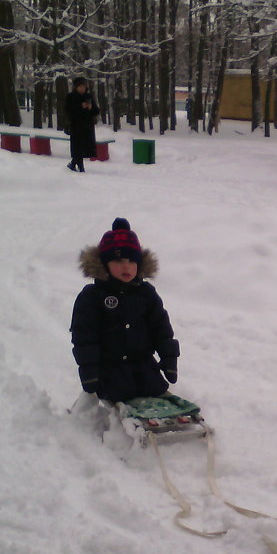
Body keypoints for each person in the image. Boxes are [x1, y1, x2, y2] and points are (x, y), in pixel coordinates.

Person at [70, 218, 180, 403]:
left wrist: (169, 357)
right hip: (110, 366)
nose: (126, 266)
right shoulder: (92, 296)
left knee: (155, 388)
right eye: (119, 260)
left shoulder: (146, 293)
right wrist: (89, 372)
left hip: (143, 363)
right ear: (104, 264)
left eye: (132, 260)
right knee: (120, 392)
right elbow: (84, 336)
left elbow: (161, 328)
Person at [64, 78, 101, 173]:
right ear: (76, 87)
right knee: (78, 147)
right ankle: (80, 167)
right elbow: (68, 110)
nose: (82, 89)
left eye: (84, 87)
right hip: (76, 126)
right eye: (80, 87)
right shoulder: (71, 97)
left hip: (87, 127)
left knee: (84, 147)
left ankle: (73, 164)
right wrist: (80, 107)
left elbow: (96, 111)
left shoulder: (88, 97)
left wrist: (91, 108)